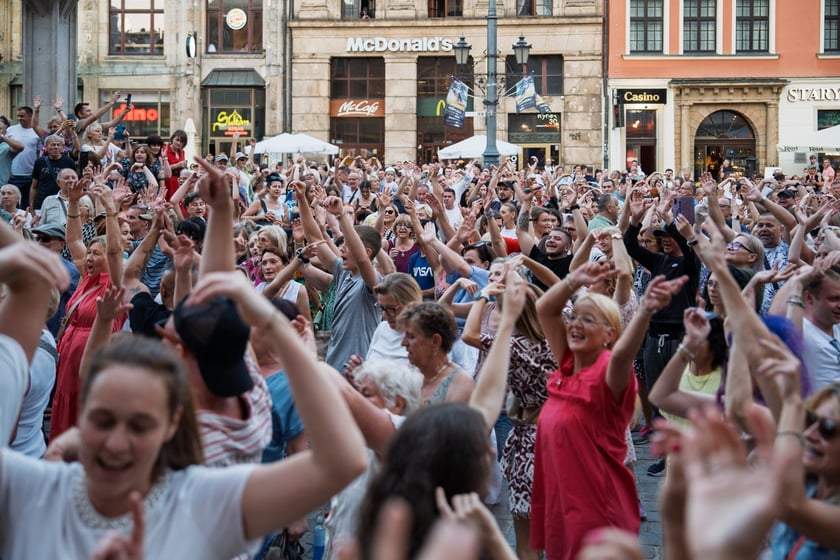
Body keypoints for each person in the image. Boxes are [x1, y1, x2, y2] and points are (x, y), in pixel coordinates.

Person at [531, 260, 687, 559]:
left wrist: (645, 311)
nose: (576, 324)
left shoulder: (609, 371)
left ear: (609, 335)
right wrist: (574, 279)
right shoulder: (568, 363)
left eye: (588, 320)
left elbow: (623, 355)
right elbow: (545, 309)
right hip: (562, 496)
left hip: (595, 503)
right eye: (574, 317)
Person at [50, 178, 125, 440]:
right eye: (89, 252)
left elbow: (114, 251)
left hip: (94, 360)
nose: (89, 257)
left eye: (96, 253)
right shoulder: (86, 277)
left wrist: (111, 210)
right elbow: (72, 239)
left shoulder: (114, 282)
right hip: (69, 360)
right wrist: (73, 202)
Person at [400, 301, 474, 405]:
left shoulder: (460, 383)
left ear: (435, 341)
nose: (403, 343)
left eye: (411, 337)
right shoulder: (408, 374)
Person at [5, 106, 42, 206]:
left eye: (22, 116)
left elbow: (40, 153)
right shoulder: (10, 130)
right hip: (13, 175)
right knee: (13, 204)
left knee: (28, 204)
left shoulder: (36, 131)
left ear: (30, 116)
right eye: (18, 116)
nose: (19, 118)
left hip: (31, 175)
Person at [0, 118, 24, 186]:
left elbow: (20, 147)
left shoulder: (6, 146)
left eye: (0, 129)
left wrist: (2, 136)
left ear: (5, 132)